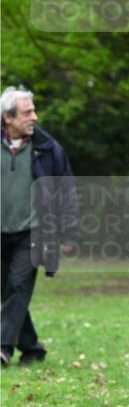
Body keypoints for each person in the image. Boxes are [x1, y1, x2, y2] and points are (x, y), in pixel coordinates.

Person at [1, 86, 78, 367]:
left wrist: (69, 234)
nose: (34, 116)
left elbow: (66, 192)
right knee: (9, 291)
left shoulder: (48, 149)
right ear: (7, 118)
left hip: (32, 233)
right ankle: (32, 349)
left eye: (33, 110)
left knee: (19, 286)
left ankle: (3, 347)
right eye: (27, 112)